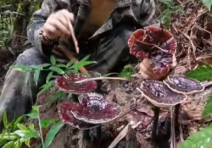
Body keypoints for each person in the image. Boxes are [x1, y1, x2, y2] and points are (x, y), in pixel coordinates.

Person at [0, 0, 156, 126]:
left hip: (106, 62)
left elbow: (156, 39)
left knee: (127, 36)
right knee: (26, 63)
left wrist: (154, 64)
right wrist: (46, 33)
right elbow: (35, 23)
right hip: (59, 58)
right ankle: (4, 135)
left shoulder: (140, 4)